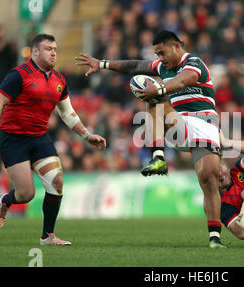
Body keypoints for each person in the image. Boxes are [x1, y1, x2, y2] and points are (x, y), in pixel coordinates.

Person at [75, 30, 225, 248]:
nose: (160, 59)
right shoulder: (162, 67)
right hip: (180, 124)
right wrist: (103, 64)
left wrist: (161, 87)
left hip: (205, 125)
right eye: (157, 54)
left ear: (175, 46)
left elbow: (184, 81)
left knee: (209, 181)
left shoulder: (193, 62)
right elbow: (135, 66)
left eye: (162, 53)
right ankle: (158, 157)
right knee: (153, 100)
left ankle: (215, 238)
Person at [0, 34, 107, 246]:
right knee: (26, 193)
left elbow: (67, 113)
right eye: (48, 48)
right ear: (34, 52)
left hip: (40, 138)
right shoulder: (19, 75)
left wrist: (87, 135)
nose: (53, 53)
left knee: (57, 182)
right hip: (13, 138)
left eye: (55, 49)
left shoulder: (59, 79)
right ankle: (4, 202)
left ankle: (48, 237)